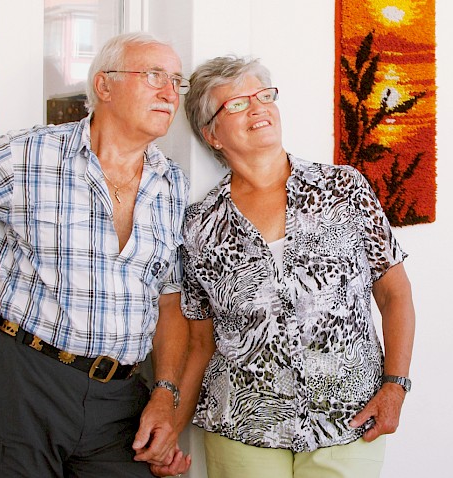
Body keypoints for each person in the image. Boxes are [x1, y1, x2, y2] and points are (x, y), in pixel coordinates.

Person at [0, 32, 192, 477]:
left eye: (176, 80)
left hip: (119, 402)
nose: (169, 92)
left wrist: (166, 393)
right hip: (21, 382)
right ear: (104, 86)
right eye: (153, 76)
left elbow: (169, 300)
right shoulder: (30, 154)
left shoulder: (173, 184)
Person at [170, 55, 417, 478]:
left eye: (264, 96)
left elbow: (395, 294)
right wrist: (171, 433)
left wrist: (396, 386)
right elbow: (199, 343)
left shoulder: (344, 189)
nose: (258, 108)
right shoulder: (199, 225)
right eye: (237, 104)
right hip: (242, 422)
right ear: (211, 134)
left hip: (349, 417)